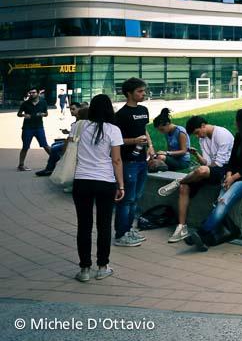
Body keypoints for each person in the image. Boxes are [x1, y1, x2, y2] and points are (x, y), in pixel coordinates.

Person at [186, 107, 242, 251]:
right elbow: (232, 161)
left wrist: (233, 178)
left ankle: (202, 232)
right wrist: (229, 174)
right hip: (235, 176)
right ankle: (216, 234)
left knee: (224, 201)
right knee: (219, 200)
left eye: (237, 120)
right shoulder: (239, 136)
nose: (235, 123)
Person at [72, 94, 125, 282]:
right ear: (110, 109)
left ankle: (85, 269)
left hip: (82, 181)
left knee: (84, 226)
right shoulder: (114, 130)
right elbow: (116, 160)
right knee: (104, 226)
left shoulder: (79, 126)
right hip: (105, 181)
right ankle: (103, 267)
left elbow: (68, 149)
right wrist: (121, 185)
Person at [158, 115, 234, 243]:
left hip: (226, 170)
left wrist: (201, 169)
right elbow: (207, 162)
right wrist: (197, 155)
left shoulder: (222, 134)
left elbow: (219, 164)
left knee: (201, 171)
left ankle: (178, 181)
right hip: (210, 170)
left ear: (203, 125)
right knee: (185, 186)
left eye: (197, 133)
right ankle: (182, 227)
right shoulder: (203, 139)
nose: (197, 136)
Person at [113, 77, 154, 247]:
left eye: (143, 91)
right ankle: (121, 234)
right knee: (127, 199)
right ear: (129, 93)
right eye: (139, 91)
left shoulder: (144, 110)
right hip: (128, 161)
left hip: (141, 160)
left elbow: (144, 129)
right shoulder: (120, 115)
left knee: (136, 198)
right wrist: (134, 141)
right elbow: (115, 140)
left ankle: (129, 229)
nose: (143, 94)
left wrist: (150, 146)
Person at [37, 104, 88, 177]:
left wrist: (65, 150)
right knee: (54, 145)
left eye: (73, 109)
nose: (71, 111)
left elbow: (71, 139)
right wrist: (68, 132)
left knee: (55, 148)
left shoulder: (79, 122)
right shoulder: (78, 121)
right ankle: (52, 166)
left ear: (79, 110)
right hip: (74, 140)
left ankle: (50, 168)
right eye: (70, 109)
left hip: (75, 143)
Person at [17, 86, 51, 171]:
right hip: (27, 128)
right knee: (25, 147)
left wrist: (43, 114)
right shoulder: (25, 103)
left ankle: (57, 161)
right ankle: (21, 165)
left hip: (39, 127)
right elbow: (19, 114)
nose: (31, 94)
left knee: (45, 145)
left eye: (33, 92)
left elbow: (46, 113)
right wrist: (24, 115)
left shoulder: (43, 102)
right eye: (30, 93)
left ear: (38, 93)